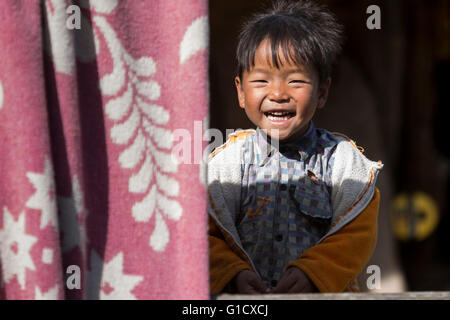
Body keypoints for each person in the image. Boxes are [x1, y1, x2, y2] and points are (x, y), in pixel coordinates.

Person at [208, 0, 383, 294]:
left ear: (323, 92)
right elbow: (203, 234)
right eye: (261, 80)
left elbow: (356, 235)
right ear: (240, 91)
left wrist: (314, 274)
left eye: (296, 81)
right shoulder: (227, 163)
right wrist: (232, 274)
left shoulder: (342, 163)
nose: (278, 94)